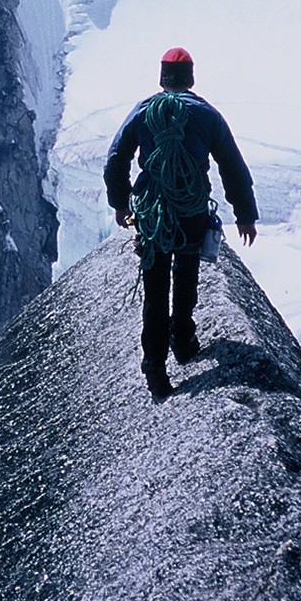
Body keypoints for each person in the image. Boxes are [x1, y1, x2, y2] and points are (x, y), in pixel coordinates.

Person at [104, 47, 258, 398]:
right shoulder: (207, 115)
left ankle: (154, 368)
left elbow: (116, 159)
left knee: (155, 289)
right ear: (191, 77)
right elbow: (232, 165)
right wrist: (245, 213)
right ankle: (184, 338)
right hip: (190, 213)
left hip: (153, 214)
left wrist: (119, 202)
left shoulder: (143, 112)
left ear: (162, 78)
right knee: (187, 271)